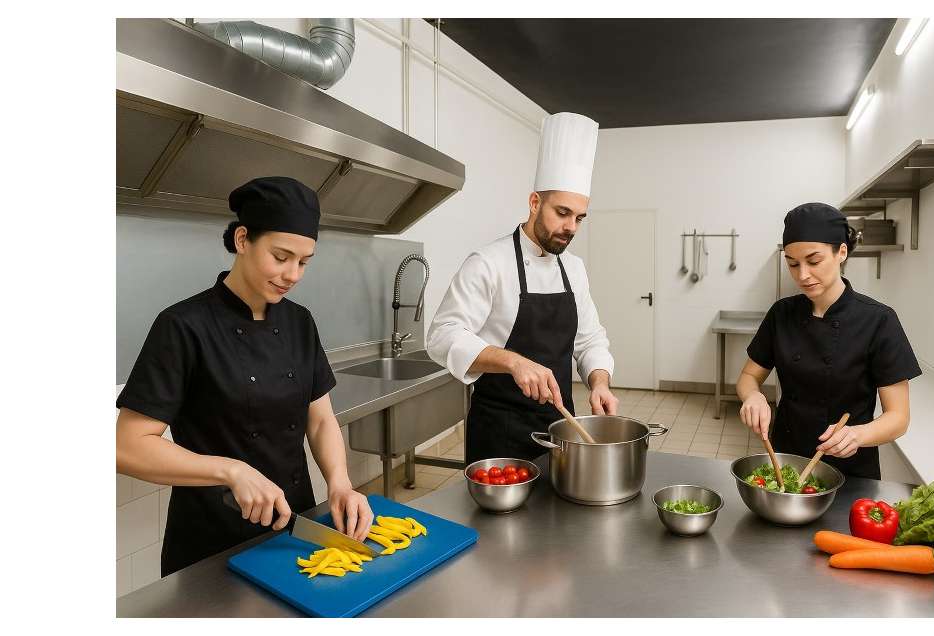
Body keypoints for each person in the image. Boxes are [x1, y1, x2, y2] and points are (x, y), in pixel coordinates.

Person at [115, 176, 374, 576]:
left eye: (304, 262)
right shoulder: (183, 325)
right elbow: (127, 446)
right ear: (241, 240)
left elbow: (320, 418)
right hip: (211, 542)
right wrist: (229, 470)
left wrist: (340, 483)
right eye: (281, 256)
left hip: (294, 530)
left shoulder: (300, 322)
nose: (293, 274)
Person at [427, 112, 618, 464]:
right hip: (499, 434)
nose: (571, 227)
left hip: (561, 426)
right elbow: (442, 335)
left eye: (579, 218)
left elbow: (590, 340)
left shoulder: (574, 269)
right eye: (562, 213)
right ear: (534, 203)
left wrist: (600, 382)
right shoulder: (487, 263)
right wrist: (511, 361)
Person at [736, 202, 922, 479]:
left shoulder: (878, 320)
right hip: (785, 463)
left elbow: (898, 417)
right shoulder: (782, 313)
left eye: (813, 261)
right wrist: (753, 396)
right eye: (792, 264)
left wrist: (858, 434)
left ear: (841, 252)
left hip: (851, 471)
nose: (803, 275)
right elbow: (749, 375)